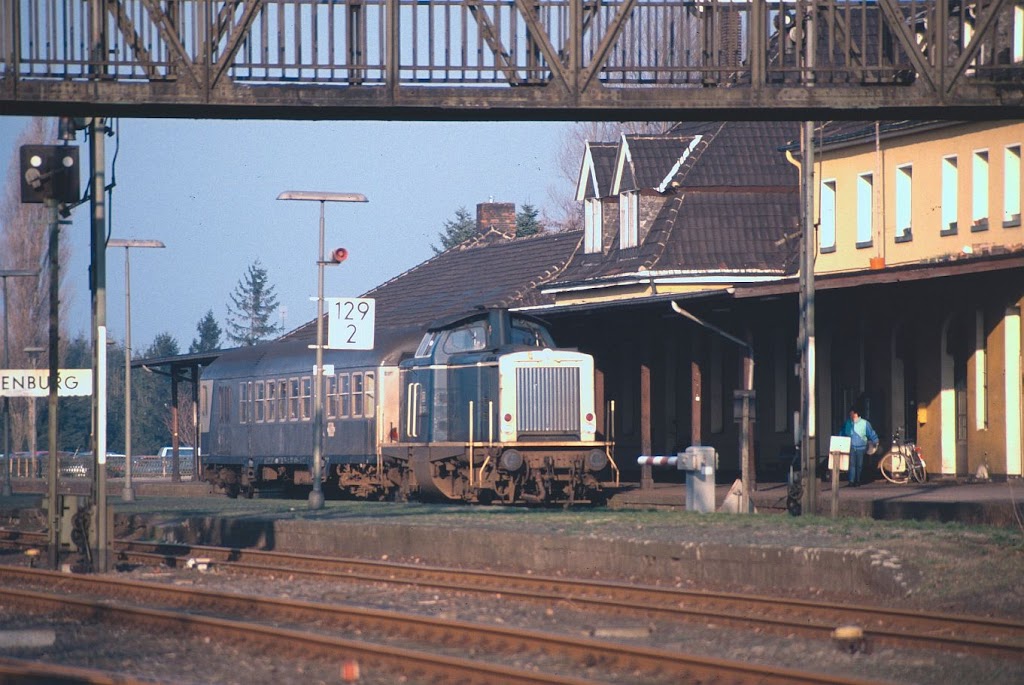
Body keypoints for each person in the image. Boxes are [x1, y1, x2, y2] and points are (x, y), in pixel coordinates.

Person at [840, 407, 878, 487]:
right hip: (851, 446)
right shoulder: (848, 423)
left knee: (859, 464)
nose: (850, 415)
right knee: (852, 464)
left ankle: (857, 480)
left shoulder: (864, 423)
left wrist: (875, 440)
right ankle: (852, 481)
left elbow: (870, 432)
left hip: (861, 447)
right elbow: (842, 432)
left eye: (851, 413)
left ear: (856, 414)